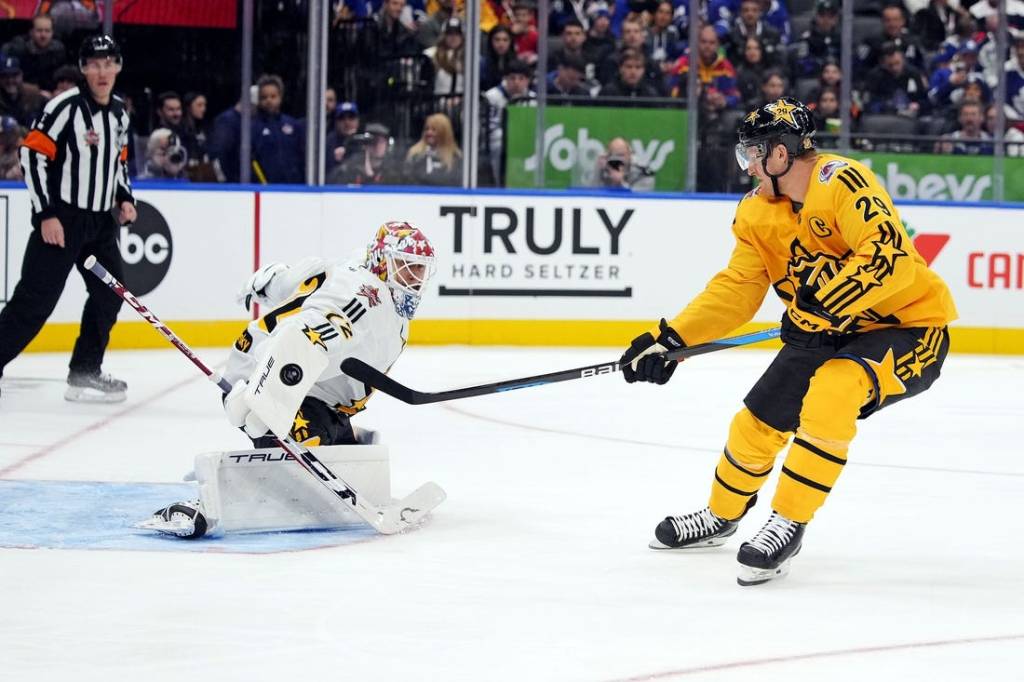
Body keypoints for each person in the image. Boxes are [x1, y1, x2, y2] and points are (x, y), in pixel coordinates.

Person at [619, 97, 956, 586]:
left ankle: (788, 522)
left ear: (781, 154)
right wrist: (672, 339)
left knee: (833, 392)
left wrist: (824, 306)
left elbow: (891, 258)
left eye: (754, 152)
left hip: (906, 328)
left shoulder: (844, 182)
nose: (748, 164)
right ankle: (721, 515)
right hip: (822, 330)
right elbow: (736, 290)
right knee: (756, 421)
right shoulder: (756, 212)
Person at [139, 221, 437, 538]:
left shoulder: (352, 267)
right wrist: (264, 398)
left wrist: (268, 282)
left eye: (420, 270)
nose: (414, 279)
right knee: (300, 477)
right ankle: (203, 504)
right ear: (381, 261)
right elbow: (301, 338)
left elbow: (296, 280)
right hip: (271, 375)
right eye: (407, 268)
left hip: (312, 390)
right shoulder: (365, 301)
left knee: (340, 465)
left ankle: (340, 438)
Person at [0, 35, 137, 402]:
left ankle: (84, 370)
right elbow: (32, 156)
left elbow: (117, 161)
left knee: (110, 296)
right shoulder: (64, 107)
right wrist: (45, 214)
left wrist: (124, 197)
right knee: (33, 303)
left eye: (109, 63)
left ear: (119, 67)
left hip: (99, 226)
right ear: (83, 69)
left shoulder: (120, 112)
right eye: (94, 63)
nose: (102, 71)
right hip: (62, 220)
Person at [0, 13, 67, 93]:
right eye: (39, 30)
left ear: (52, 32)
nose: (43, 35)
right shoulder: (18, 50)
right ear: (31, 32)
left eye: (47, 31)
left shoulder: (59, 51)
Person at [404, 112, 462, 185]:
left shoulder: (456, 157)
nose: (429, 133)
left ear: (444, 132)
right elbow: (407, 180)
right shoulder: (414, 154)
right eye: (427, 129)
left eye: (434, 130)